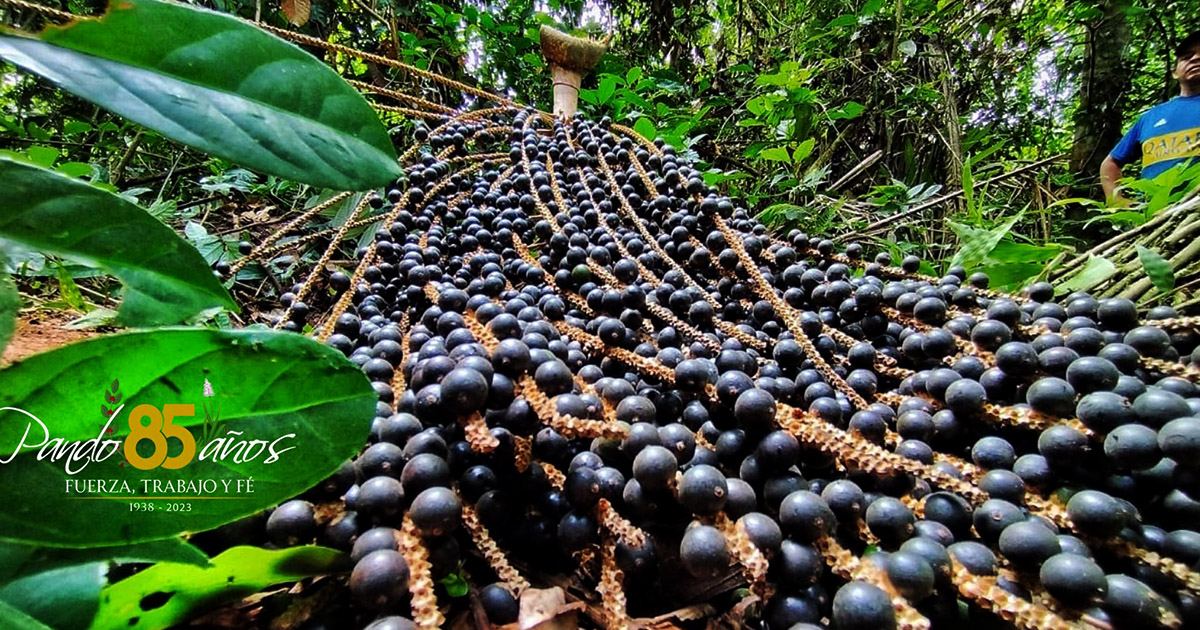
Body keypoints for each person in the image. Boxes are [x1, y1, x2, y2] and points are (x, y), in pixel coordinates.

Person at [1101, 30, 1200, 203]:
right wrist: (1118, 203)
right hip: (1154, 219)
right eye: (1186, 57)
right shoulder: (1151, 117)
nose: (1195, 59)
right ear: (1174, 72)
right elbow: (1110, 164)